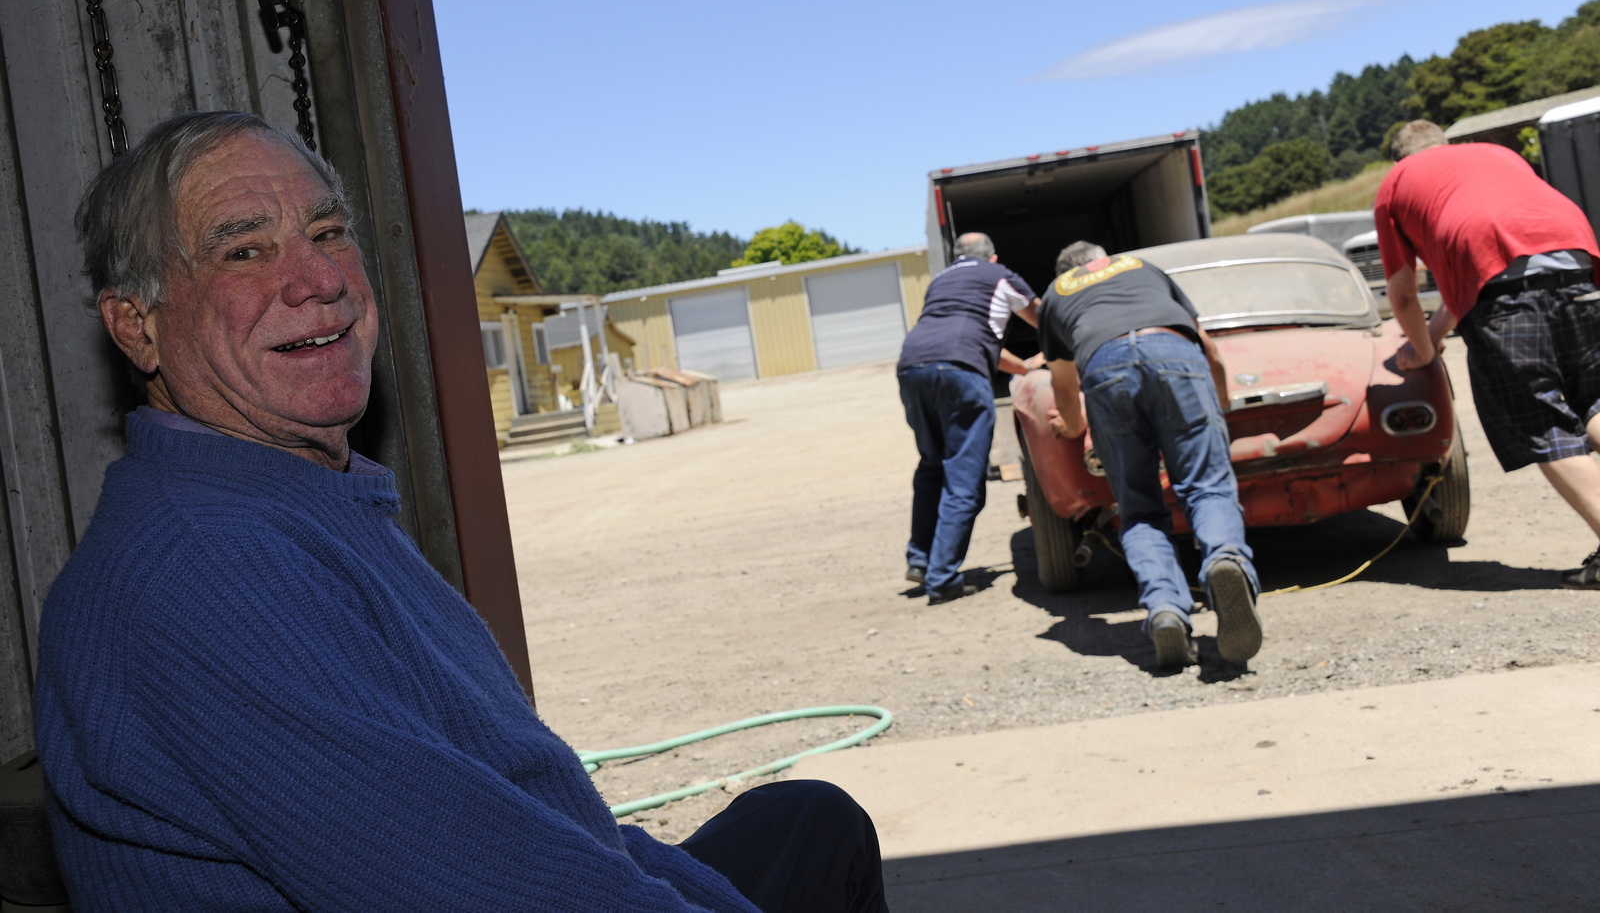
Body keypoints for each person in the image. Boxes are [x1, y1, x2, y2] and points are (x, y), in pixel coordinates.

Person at [33, 111, 890, 912]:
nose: (320, 279)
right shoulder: (203, 574)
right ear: (136, 327)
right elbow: (495, 887)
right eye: (244, 252)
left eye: (328, 233)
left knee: (809, 820)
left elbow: (525, 824)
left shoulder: (290, 502)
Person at [1375, 120, 1600, 589]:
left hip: (1507, 294)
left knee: (1547, 428)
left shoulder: (1396, 185)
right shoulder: (1494, 155)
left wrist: (1420, 351)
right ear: (1445, 145)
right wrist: (1434, 339)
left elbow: (1402, 296)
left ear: (1400, 159)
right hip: (1580, 267)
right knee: (1593, 401)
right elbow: (1475, 279)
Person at [1037, 241, 1262, 667]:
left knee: (1138, 507)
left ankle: (1165, 610)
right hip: (1174, 352)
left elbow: (1064, 388)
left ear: (1067, 270)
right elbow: (1208, 348)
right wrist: (1222, 403)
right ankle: (1225, 561)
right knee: (1208, 487)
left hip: (1104, 366)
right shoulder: (1143, 266)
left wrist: (1072, 427)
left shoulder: (1056, 293)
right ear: (1103, 259)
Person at [895, 232, 1040, 604]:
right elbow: (1042, 318)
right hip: (960, 374)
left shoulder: (940, 281)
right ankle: (942, 579)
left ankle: (921, 559)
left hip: (913, 369)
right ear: (992, 258)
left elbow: (978, 341)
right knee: (964, 478)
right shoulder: (1000, 276)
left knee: (932, 465)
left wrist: (1022, 368)